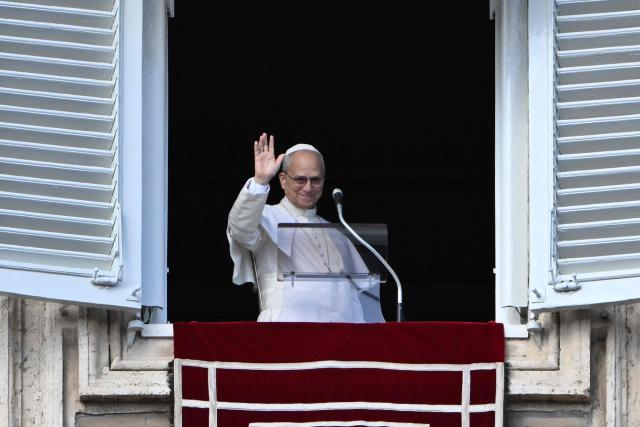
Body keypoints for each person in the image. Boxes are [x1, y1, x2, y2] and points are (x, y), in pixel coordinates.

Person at [227, 132, 384, 322]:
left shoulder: (337, 232)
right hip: (287, 328)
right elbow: (240, 229)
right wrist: (261, 181)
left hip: (340, 335)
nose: (308, 188)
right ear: (283, 180)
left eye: (315, 180)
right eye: (300, 179)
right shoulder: (266, 217)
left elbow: (361, 292)